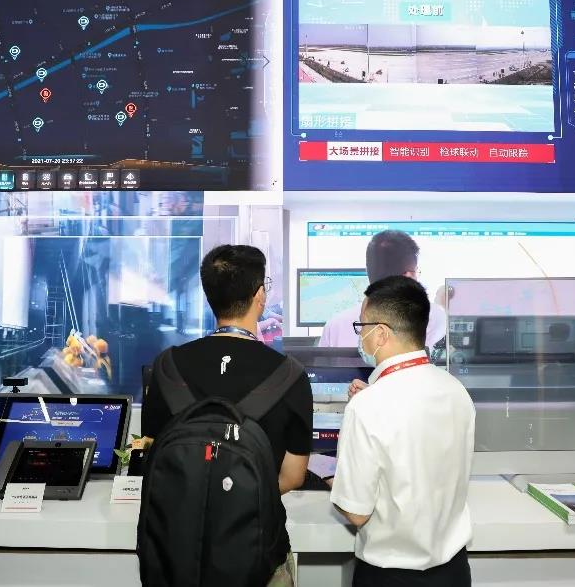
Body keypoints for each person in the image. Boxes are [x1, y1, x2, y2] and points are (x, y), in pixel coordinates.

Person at [141, 244, 313, 586]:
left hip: (178, 553)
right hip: (256, 552)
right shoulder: (290, 375)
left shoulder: (167, 366)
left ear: (209, 295)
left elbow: (152, 452)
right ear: (259, 295)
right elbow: (293, 476)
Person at [330, 275, 475, 587]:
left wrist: (334, 478)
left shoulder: (367, 406)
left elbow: (356, 512)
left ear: (381, 334)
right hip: (454, 573)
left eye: (362, 327)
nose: (361, 336)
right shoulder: (456, 390)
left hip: (391, 577)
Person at [318, 230, 447, 350]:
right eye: (415, 271)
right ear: (408, 276)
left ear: (368, 271)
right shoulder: (434, 318)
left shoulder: (334, 326)